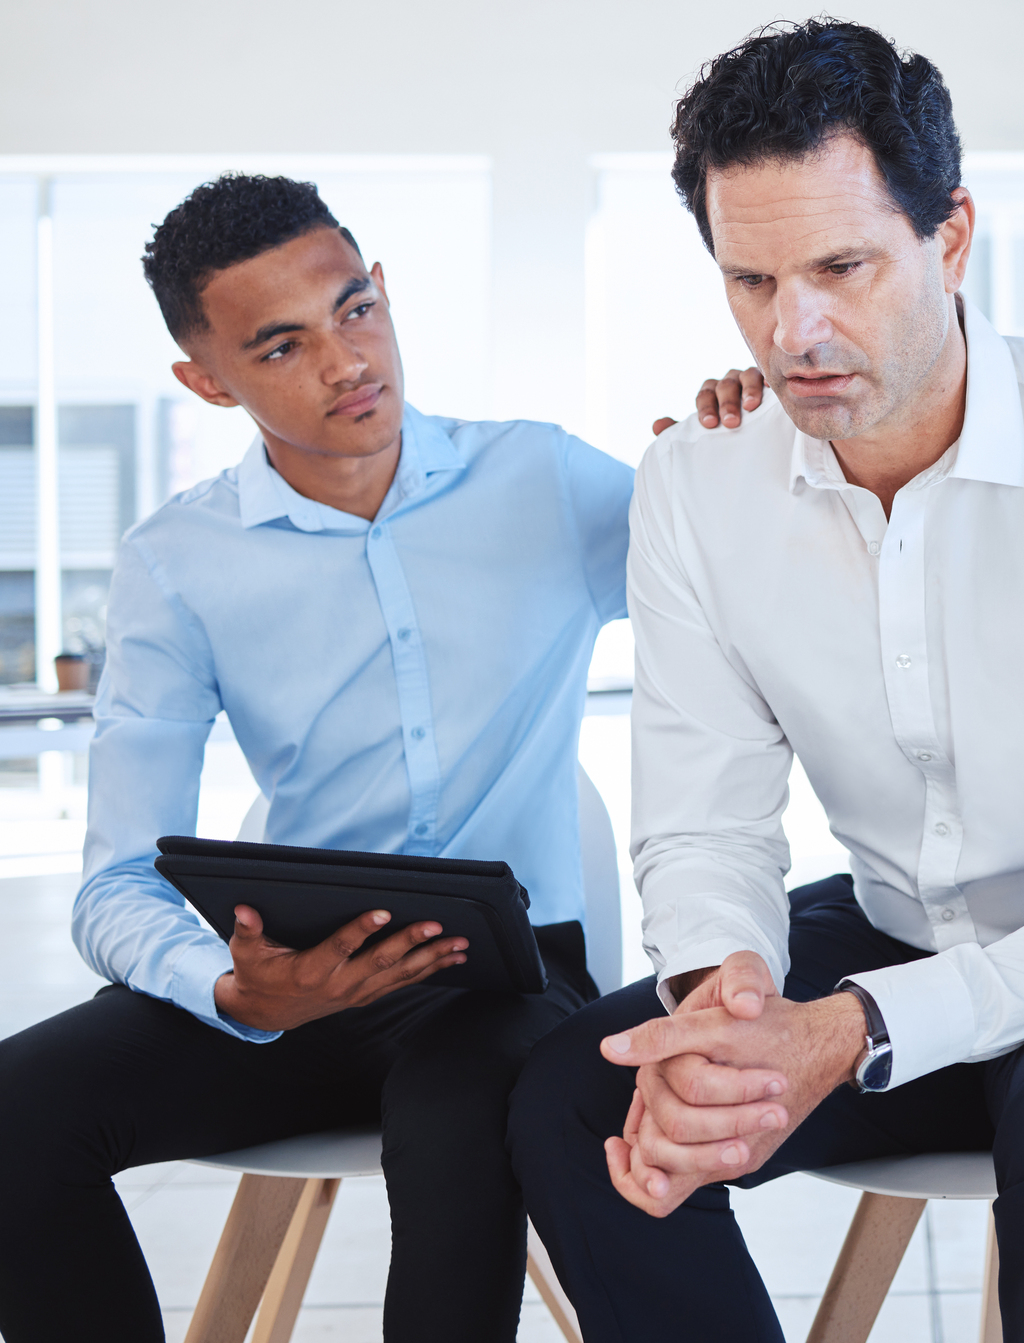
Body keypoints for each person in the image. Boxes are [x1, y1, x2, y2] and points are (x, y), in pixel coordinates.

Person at [507, 20, 1024, 1343]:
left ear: (953, 236)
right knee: (578, 1087)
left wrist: (852, 1028)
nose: (794, 329)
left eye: (842, 266)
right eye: (750, 279)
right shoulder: (698, 486)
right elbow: (706, 818)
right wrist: (730, 996)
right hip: (891, 927)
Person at [0, 174, 634, 1343]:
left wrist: (757, 442)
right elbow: (115, 877)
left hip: (507, 981)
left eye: (353, 309)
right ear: (207, 379)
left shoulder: (544, 478)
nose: (346, 362)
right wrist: (230, 989)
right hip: (299, 984)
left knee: (458, 1115)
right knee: (14, 1105)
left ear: (382, 291)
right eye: (282, 344)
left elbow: (758, 575)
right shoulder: (178, 560)